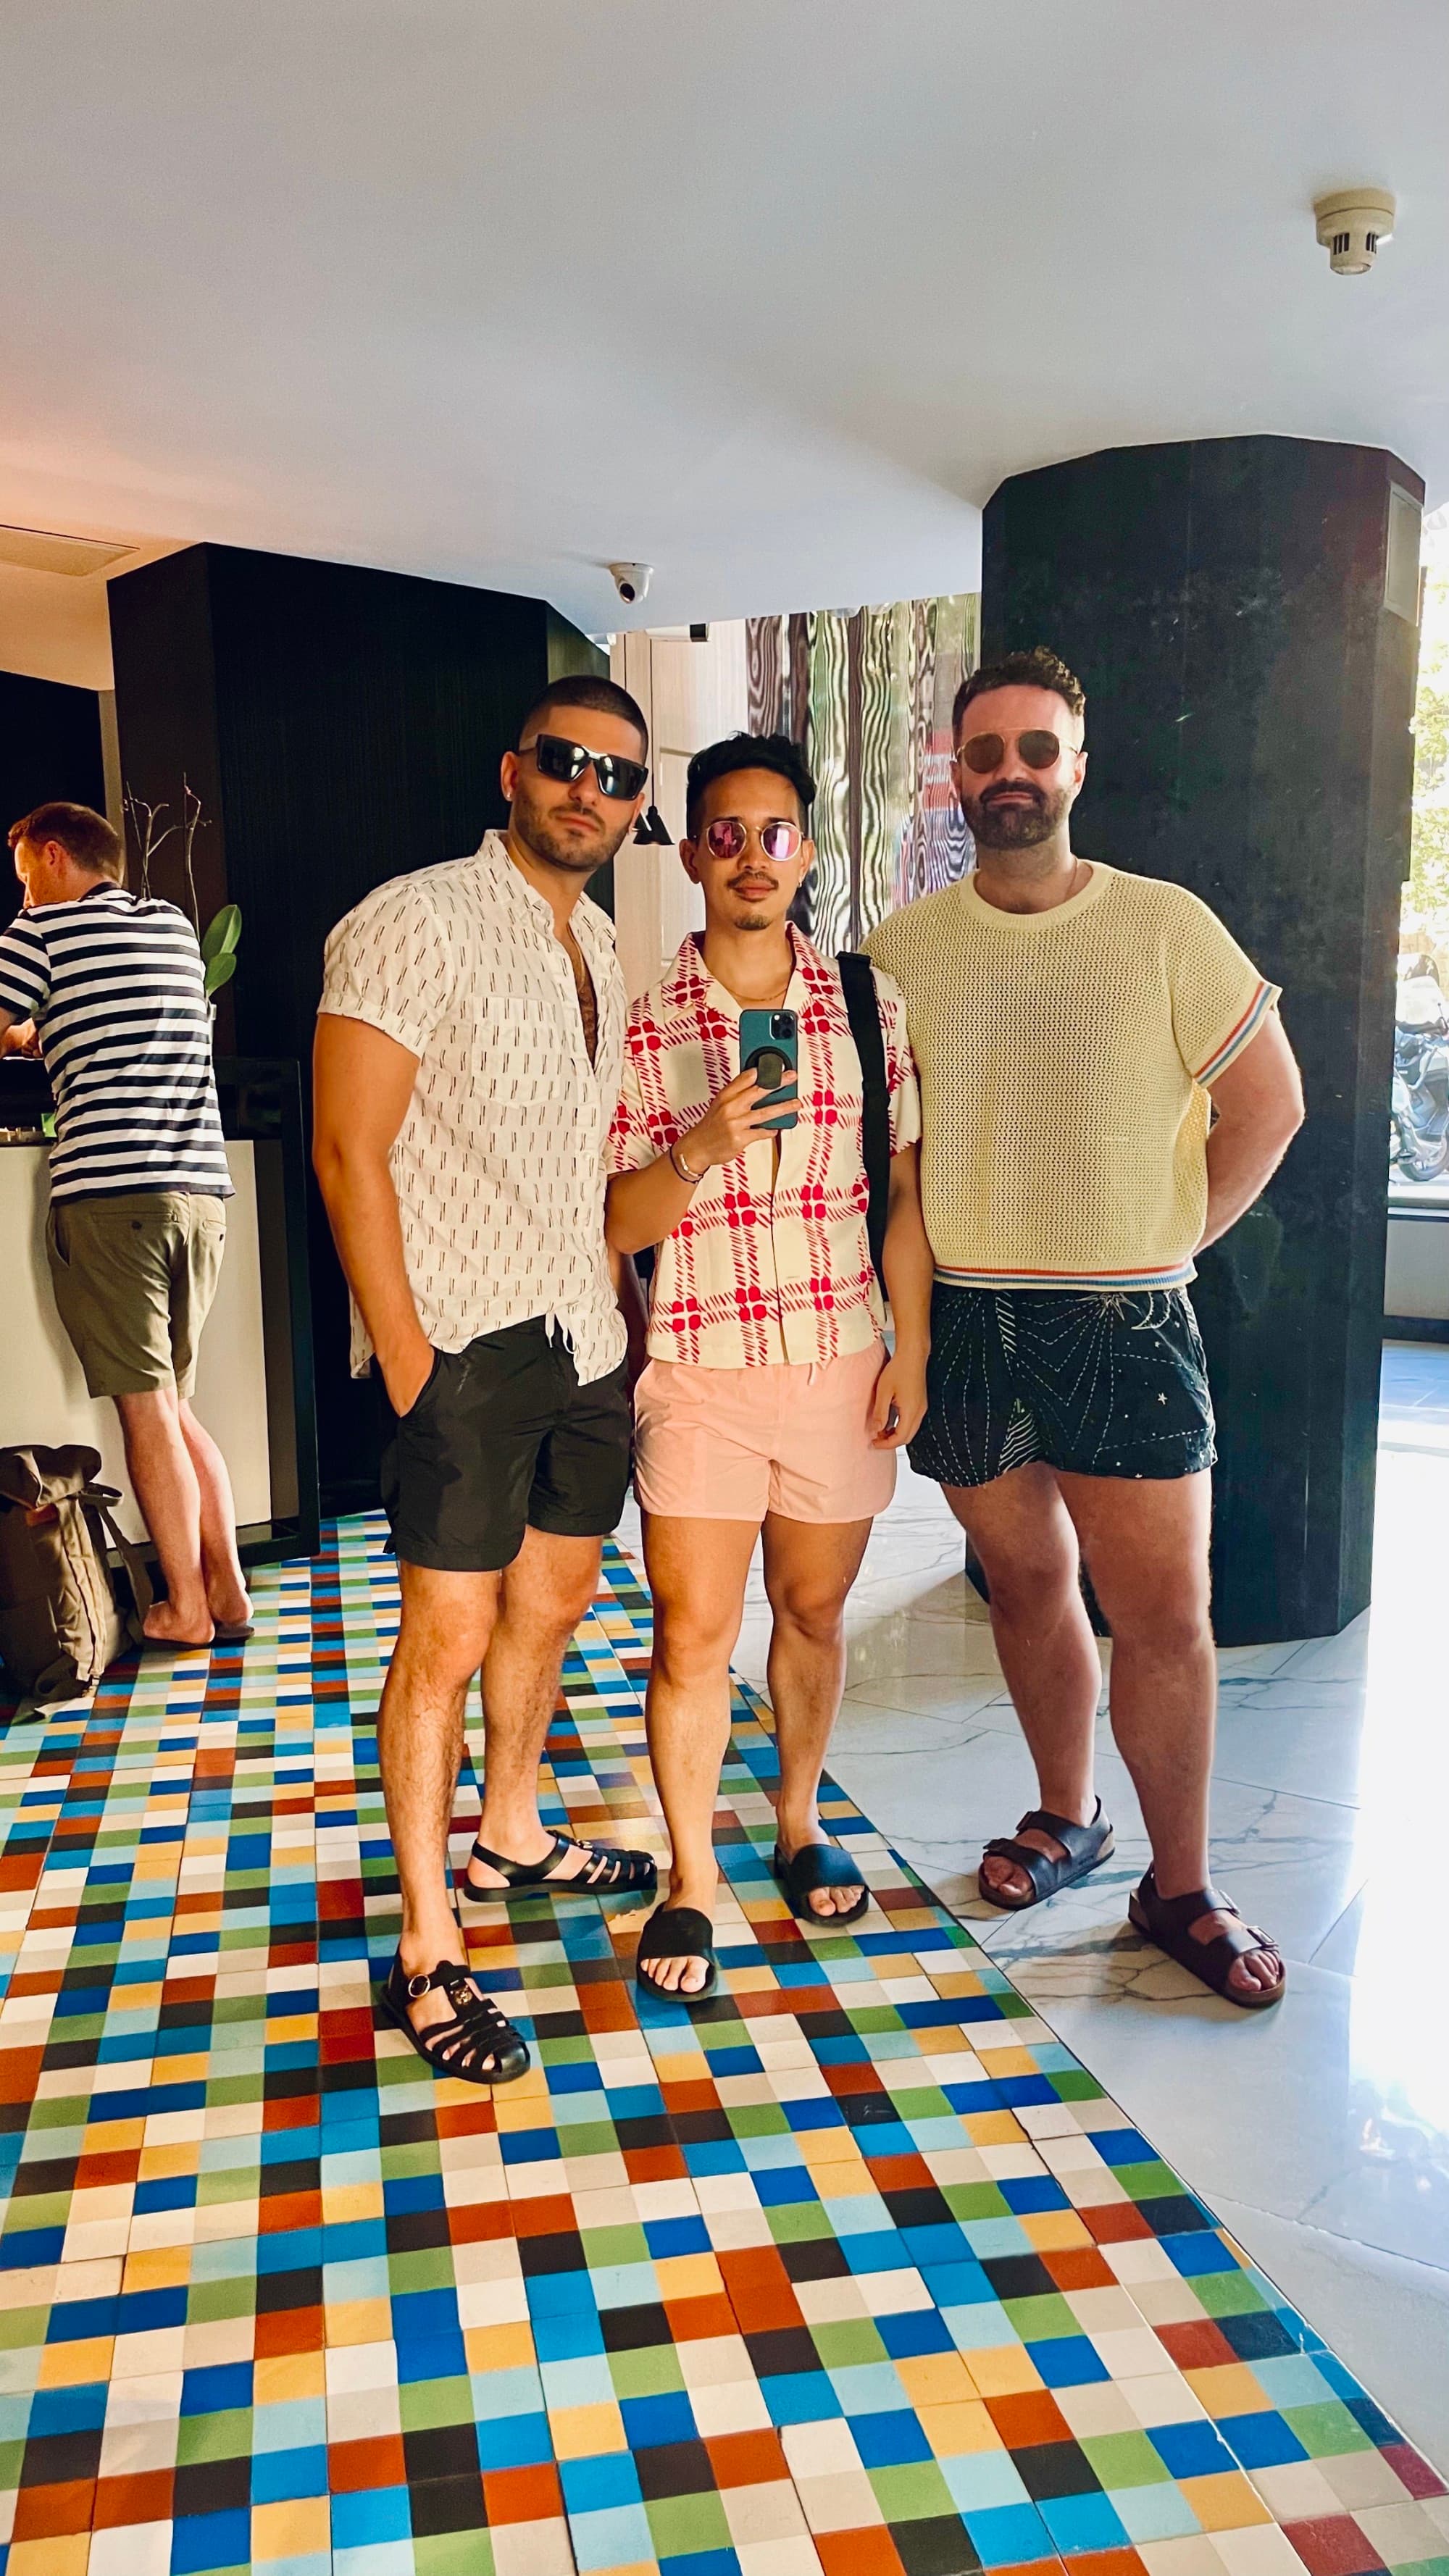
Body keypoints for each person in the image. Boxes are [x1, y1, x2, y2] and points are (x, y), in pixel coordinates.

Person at [867, 648, 1306, 2009]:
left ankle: (1182, 1885)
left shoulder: (1165, 925)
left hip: (1127, 1316)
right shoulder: (901, 952)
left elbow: (1271, 1105)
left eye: (1036, 749)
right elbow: (890, 1158)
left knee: (1165, 1617)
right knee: (1025, 1583)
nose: (1011, 773)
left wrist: (1168, 1243)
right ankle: (1069, 1815)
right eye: (985, 752)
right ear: (955, 771)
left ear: (1077, 766)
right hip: (968, 1318)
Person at [313, 675, 659, 2088]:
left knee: (553, 1601)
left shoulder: (601, 946)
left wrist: (625, 1307)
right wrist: (409, 1355)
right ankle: (426, 1940)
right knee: (445, 1638)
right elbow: (347, 1147)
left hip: (585, 1337)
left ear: (637, 807)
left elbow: (585, 1165)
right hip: (465, 1338)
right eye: (567, 760)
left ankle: (509, 1829)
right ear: (514, 770)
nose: (591, 788)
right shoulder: (414, 918)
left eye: (619, 775)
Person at [605, 732, 934, 2002]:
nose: (752, 855)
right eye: (727, 834)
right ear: (693, 852)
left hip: (840, 1360)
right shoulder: (643, 1024)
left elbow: (901, 1191)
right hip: (699, 1366)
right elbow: (619, 1225)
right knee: (691, 1635)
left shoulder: (868, 1005)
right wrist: (698, 1145)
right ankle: (692, 1876)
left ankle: (798, 1819)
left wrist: (909, 1348)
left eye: (775, 833)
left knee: (812, 1611)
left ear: (805, 852)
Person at [0, 801, 251, 1648]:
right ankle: (229, 1592)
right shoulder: (171, 928)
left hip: (114, 1195)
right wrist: (44, 1037)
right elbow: (118, 1027)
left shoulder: (41, 932)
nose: (23, 895)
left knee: (146, 1413)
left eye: (25, 877)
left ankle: (186, 1609)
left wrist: (20, 1035)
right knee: (176, 1405)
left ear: (54, 855)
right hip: (199, 1197)